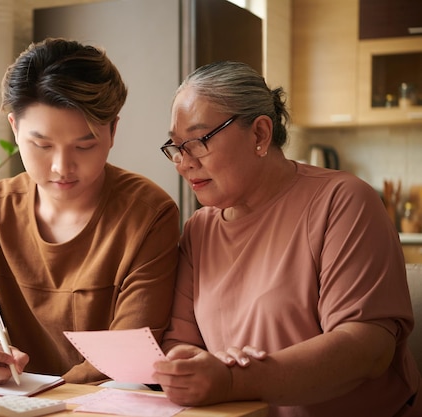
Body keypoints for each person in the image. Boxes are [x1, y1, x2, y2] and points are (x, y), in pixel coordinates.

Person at [152, 60, 421, 416]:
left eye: (198, 141)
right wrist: (186, 368)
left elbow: (367, 347)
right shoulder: (199, 229)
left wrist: (234, 380)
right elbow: (181, 342)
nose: (183, 162)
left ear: (260, 135)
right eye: (176, 146)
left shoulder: (343, 201)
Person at [0, 38, 180, 385]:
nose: (61, 167)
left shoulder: (148, 215)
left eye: (84, 145)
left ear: (113, 130)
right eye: (42, 145)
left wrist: (45, 399)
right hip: (11, 404)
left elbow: (128, 354)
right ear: (14, 128)